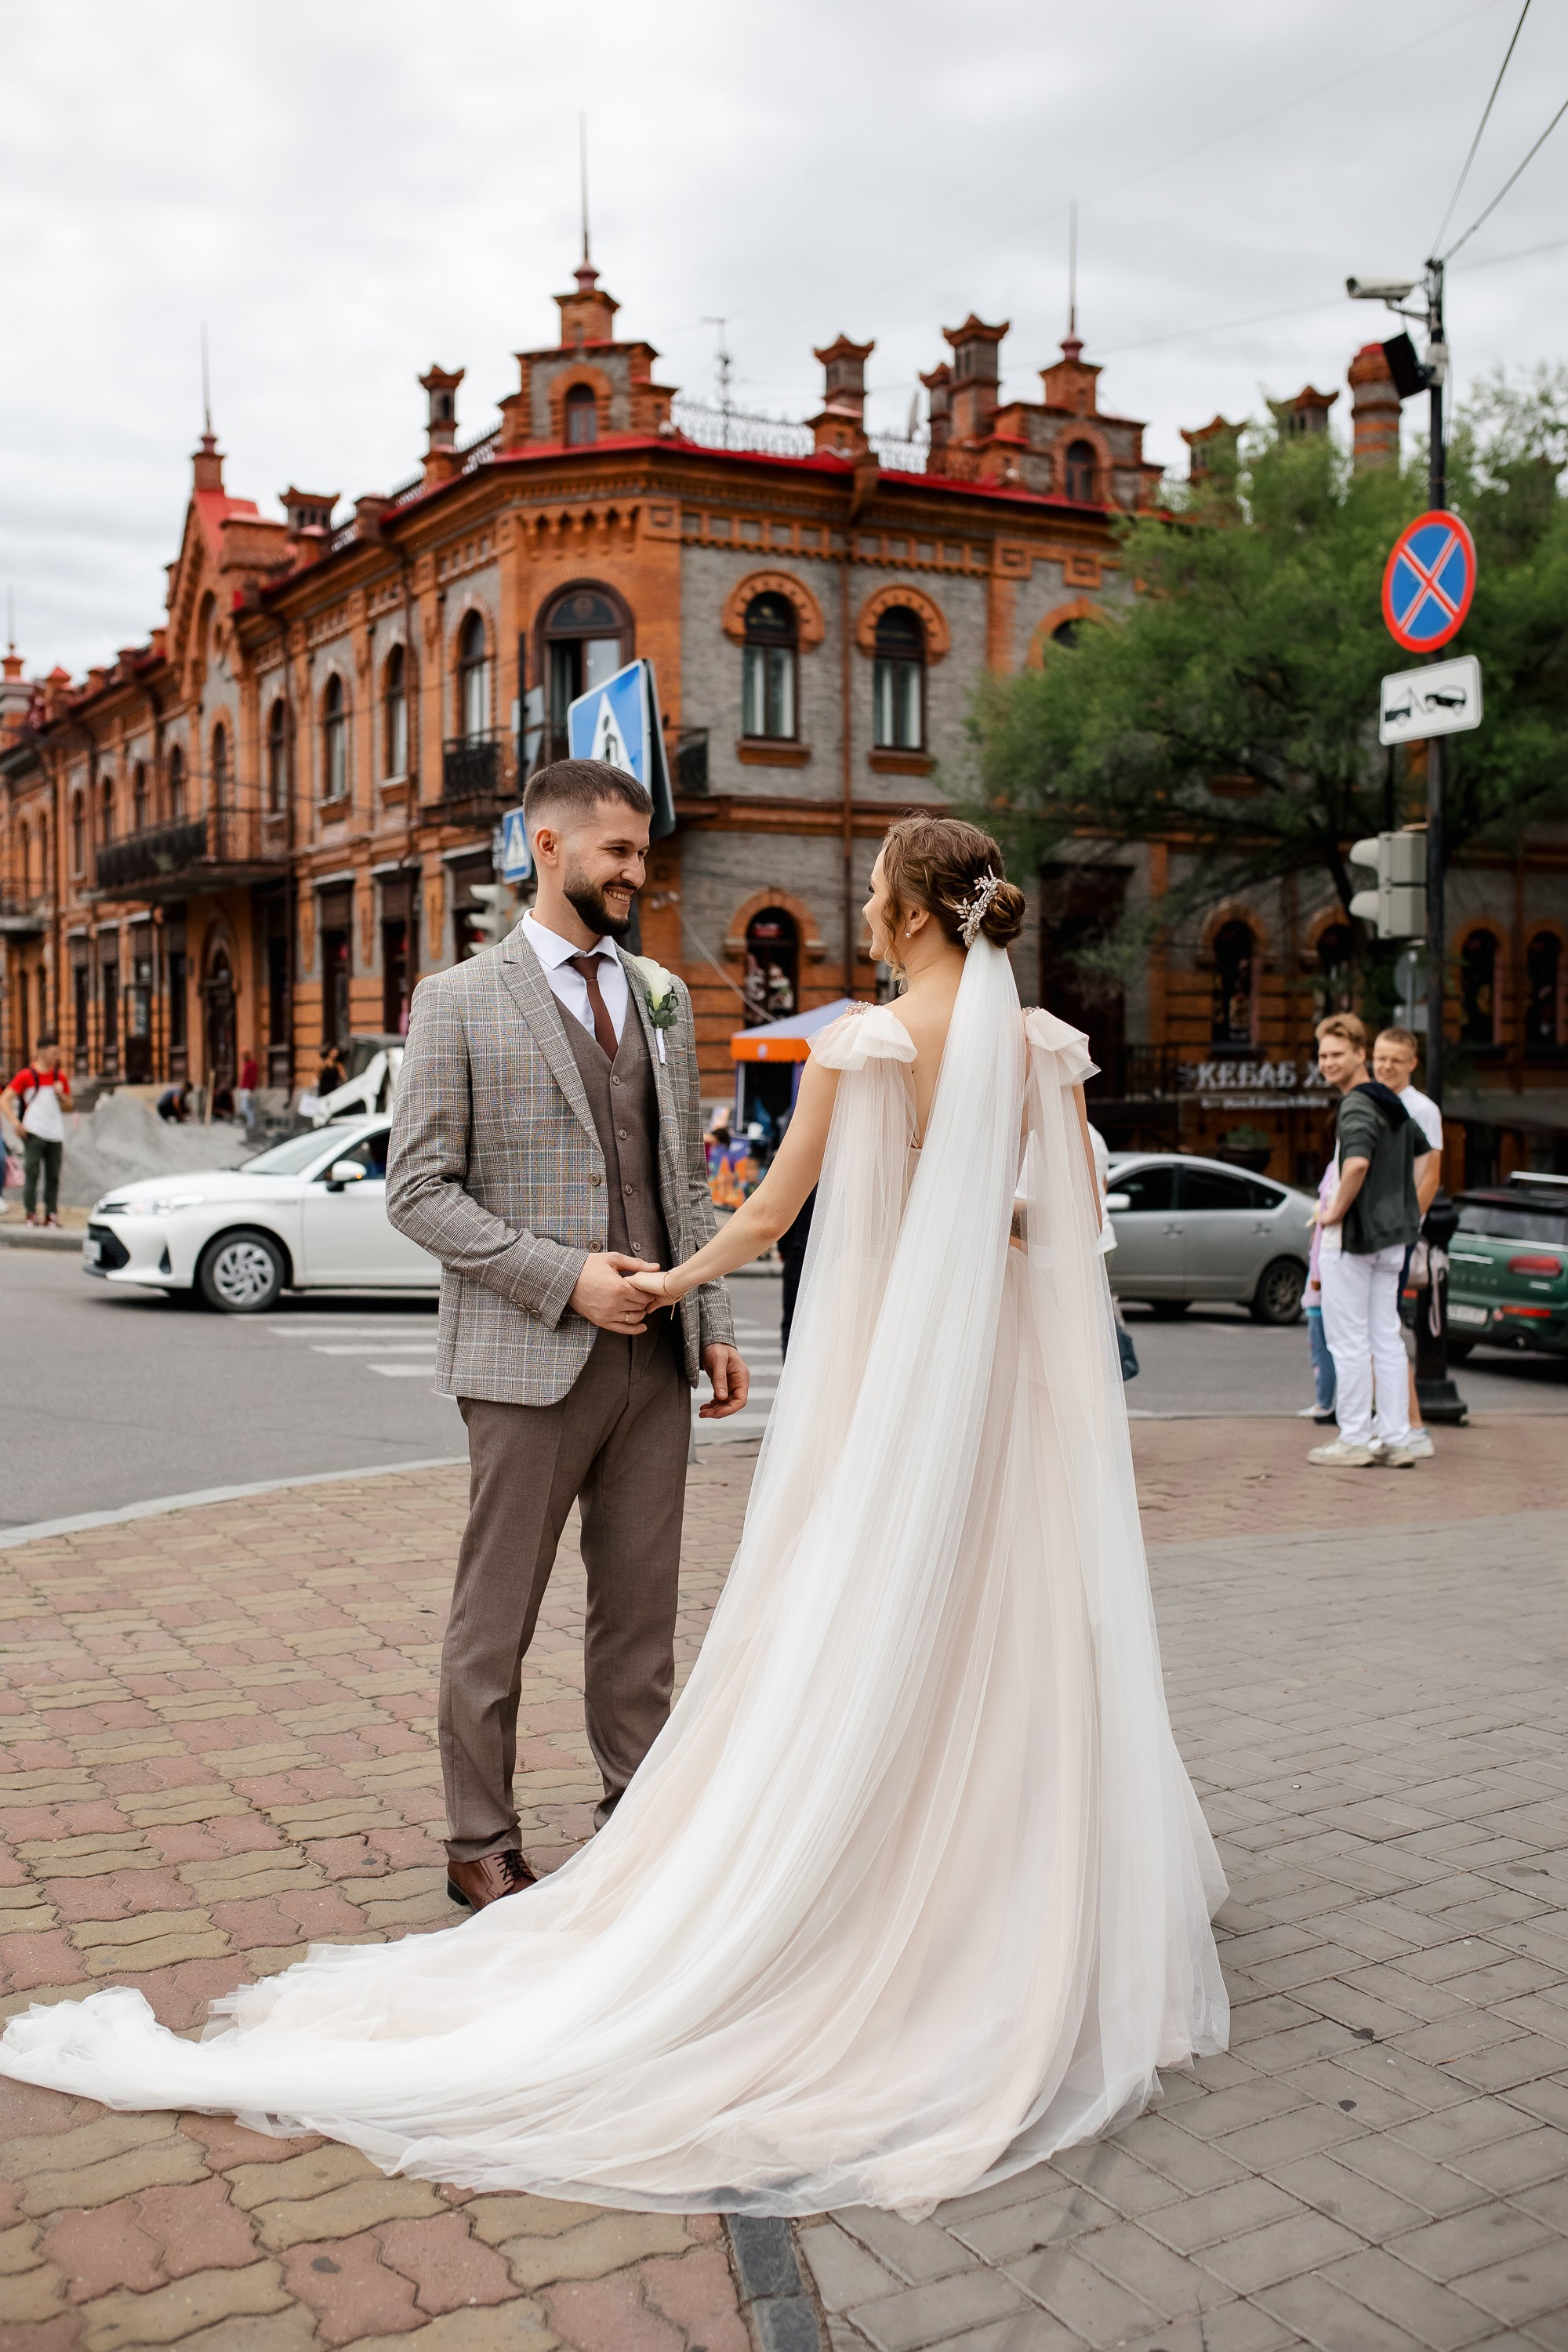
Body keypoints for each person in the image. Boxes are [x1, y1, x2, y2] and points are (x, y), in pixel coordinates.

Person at [0, 813, 1229, 2221]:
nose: (869, 908)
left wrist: (671, 1289)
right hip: (985, 1368)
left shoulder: (862, 1045)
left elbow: (766, 1212)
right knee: (1006, 1602)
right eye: (623, 848)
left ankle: (805, 1859)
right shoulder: (1047, 1046)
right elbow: (1065, 1220)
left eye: (878, 892)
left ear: (912, 912)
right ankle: (992, 1885)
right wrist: (977, 1242)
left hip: (880, 1371)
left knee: (850, 1605)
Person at [1309, 1013, 1436, 1470]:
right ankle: (1397, 1438)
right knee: (1386, 1336)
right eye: (1323, 1055)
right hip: (1393, 1238)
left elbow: (1357, 1165)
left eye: (1337, 1054)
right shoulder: (1391, 1103)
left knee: (1348, 1341)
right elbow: (1424, 1154)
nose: (1327, 1063)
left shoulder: (1357, 1105)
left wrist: (1331, 1212)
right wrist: (1402, 1207)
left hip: (1355, 1238)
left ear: (1361, 1054)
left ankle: (1356, 1438)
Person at [1371, 1026, 1444, 1460]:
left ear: (1413, 1063)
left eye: (1396, 1060)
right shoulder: (1374, 1099)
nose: (1386, 1066)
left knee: (1384, 1331)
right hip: (1376, 1236)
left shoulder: (1421, 1108)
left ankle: (1411, 1426)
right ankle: (1402, 1422)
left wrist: (1404, 1227)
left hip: (1394, 1239)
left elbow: (1431, 1176)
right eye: (1381, 1058)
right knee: (1380, 1330)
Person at [2, 1036, 71, 1228]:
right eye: (52, 1053)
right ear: (41, 1052)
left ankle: (51, 1214)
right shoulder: (27, 1075)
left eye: (57, 1053)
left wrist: (61, 1095)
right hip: (33, 1132)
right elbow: (4, 1099)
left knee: (53, 1175)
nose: (56, 1057)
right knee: (32, 1172)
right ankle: (31, 1213)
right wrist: (16, 1123)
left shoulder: (59, 1077)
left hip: (55, 1132)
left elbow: (69, 1105)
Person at [1299, 1155, 1338, 1425]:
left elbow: (1317, 1261)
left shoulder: (1325, 1221)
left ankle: (1324, 1404)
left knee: (1321, 1352)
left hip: (1319, 1294)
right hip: (1320, 1291)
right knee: (1325, 1350)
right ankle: (1324, 1403)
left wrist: (1315, 1280)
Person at [237, 1049, 260, 1131]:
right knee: (246, 1107)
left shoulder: (252, 1065)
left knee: (246, 1107)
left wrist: (250, 1088)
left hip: (248, 1089)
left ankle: (252, 1124)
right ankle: (251, 1124)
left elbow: (253, 1078)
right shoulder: (247, 1064)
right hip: (245, 1089)